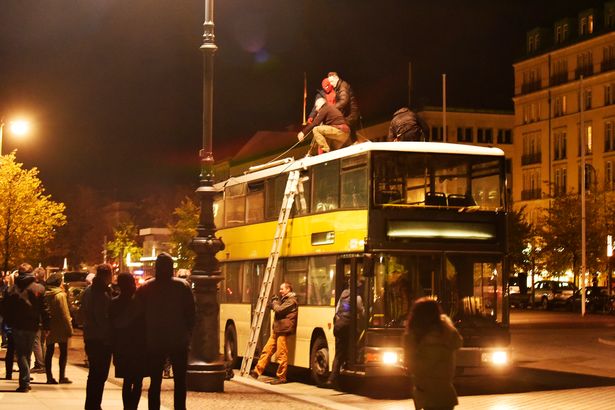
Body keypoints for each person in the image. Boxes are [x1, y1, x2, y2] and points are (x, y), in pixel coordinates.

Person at [135, 252, 195, 410]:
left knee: (155, 381)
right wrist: (189, 333)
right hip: (178, 340)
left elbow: (138, 314)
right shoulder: (182, 286)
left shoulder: (146, 287)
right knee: (180, 381)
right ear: (171, 268)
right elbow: (191, 313)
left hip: (155, 340)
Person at [405, 297, 463, 410]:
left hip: (432, 397)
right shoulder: (445, 333)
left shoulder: (432, 340)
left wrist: (409, 344)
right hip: (443, 395)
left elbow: (419, 367)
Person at [3, 263, 50, 392]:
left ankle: (24, 382)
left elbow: (5, 309)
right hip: (33, 325)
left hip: (18, 325)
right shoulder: (39, 288)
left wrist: (9, 323)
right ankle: (26, 380)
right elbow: (44, 309)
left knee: (21, 354)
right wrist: (47, 325)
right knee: (27, 353)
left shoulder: (12, 289)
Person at [250, 282, 298, 385]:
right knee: (266, 351)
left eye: (282, 289)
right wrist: (271, 304)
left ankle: (282, 377)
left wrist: (274, 302)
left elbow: (279, 310)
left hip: (283, 331)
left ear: (288, 289)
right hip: (277, 330)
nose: (280, 291)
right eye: (280, 289)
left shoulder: (291, 301)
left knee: (281, 354)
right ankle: (256, 371)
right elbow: (276, 307)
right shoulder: (284, 300)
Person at [110, 273, 145, 410]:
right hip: (138, 346)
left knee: (127, 380)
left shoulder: (114, 303)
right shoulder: (140, 303)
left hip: (122, 346)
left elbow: (112, 327)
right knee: (137, 380)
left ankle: (127, 408)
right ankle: (133, 407)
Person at [81, 263, 113, 409]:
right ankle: (94, 404)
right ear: (107, 275)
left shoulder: (89, 290)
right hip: (101, 339)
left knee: (94, 373)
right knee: (100, 374)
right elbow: (102, 317)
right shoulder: (102, 293)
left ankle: (91, 404)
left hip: (90, 336)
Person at [324, 280, 364, 389]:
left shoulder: (343, 294)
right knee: (355, 345)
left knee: (339, 353)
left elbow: (337, 310)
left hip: (338, 325)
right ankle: (332, 379)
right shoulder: (357, 297)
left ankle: (335, 378)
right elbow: (362, 311)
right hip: (348, 327)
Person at [44, 272, 73, 384]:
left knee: (49, 351)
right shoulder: (60, 295)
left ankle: (49, 377)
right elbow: (65, 314)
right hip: (60, 326)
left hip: (49, 326)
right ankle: (62, 376)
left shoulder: (46, 294)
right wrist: (69, 328)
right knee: (63, 351)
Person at [327, 72, 361, 138]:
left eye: (332, 81)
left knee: (347, 135)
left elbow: (344, 101)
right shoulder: (338, 87)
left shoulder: (343, 87)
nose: (331, 83)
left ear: (336, 78)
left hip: (351, 114)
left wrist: (331, 109)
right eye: (330, 82)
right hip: (348, 114)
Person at [30, 267, 48, 374]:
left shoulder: (38, 287)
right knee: (41, 342)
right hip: (42, 319)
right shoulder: (44, 286)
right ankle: (41, 363)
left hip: (38, 318)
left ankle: (40, 364)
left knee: (36, 342)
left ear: (37, 274)